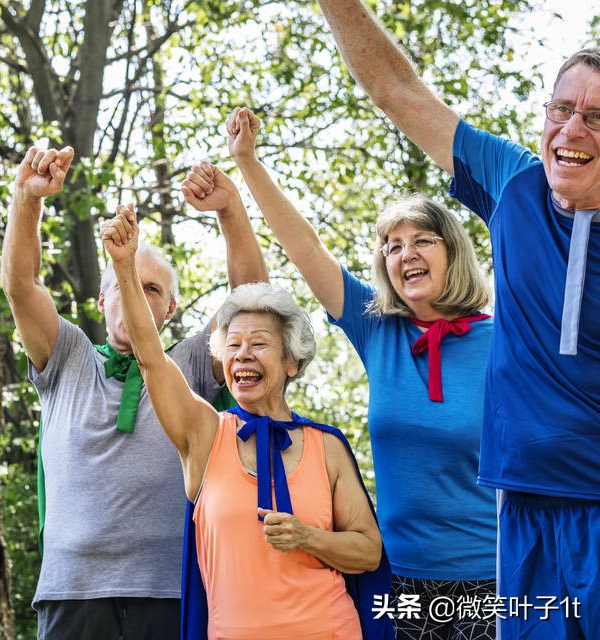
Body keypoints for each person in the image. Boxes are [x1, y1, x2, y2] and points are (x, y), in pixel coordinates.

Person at [314, 2, 600, 637]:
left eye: (597, 117)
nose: (573, 129)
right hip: (521, 512)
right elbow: (395, 92)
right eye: (562, 110)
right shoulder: (515, 182)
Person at [225, 105, 497, 638]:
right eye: (393, 246)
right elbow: (305, 249)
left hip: (495, 579)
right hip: (400, 582)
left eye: (422, 241)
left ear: (453, 252)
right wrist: (247, 163)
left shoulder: (503, 340)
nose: (406, 254)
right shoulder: (378, 330)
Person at [1, 146, 265, 639]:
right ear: (102, 300)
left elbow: (251, 301)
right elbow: (20, 285)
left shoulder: (188, 364)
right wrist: (27, 200)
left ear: (169, 310)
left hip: (170, 590)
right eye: (126, 284)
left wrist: (230, 209)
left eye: (152, 289)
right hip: (72, 593)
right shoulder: (67, 355)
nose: (136, 295)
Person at [100, 202, 383, 639]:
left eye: (259, 343)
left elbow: (367, 550)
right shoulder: (204, 433)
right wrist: (123, 265)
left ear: (291, 362)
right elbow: (152, 359)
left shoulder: (326, 446)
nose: (243, 355)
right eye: (232, 345)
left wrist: (307, 538)